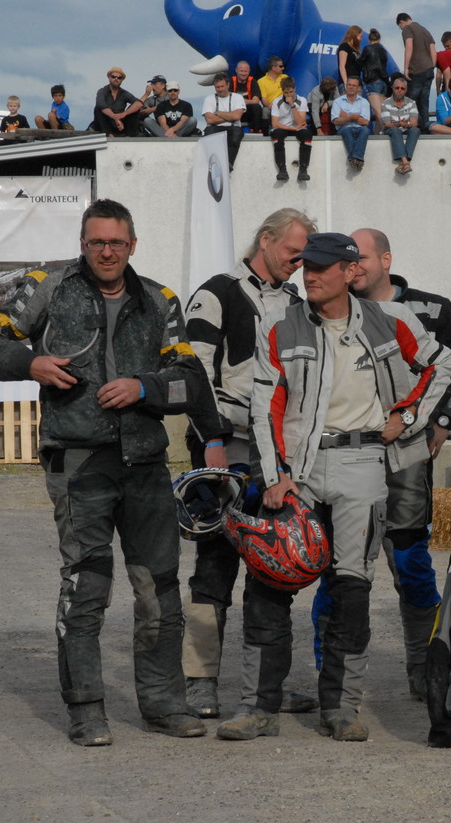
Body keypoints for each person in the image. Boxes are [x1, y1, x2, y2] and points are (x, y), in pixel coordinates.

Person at [0, 199, 226, 747]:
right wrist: (29, 362)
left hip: (146, 463)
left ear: (132, 245)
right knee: (87, 587)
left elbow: (190, 380)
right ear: (82, 244)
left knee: (158, 586)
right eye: (96, 243)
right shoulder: (49, 285)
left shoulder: (160, 299)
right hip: (78, 461)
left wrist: (144, 388)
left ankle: (163, 704)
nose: (106, 252)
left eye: (116, 243)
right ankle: (86, 710)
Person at [215, 232, 451, 742]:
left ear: (350, 272)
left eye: (323, 267)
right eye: (306, 266)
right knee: (268, 580)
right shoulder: (279, 326)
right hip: (297, 470)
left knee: (351, 588)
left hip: (364, 462)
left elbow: (442, 364)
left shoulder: (393, 321)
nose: (310, 275)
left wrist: (407, 417)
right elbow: (265, 406)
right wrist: (275, 475)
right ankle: (258, 707)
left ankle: (342, 708)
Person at [315, 227, 451, 700]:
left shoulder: (430, 310)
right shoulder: (327, 312)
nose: (354, 267)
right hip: (343, 459)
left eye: (362, 258)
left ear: (385, 259)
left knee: (410, 564)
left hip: (406, 457)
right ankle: (332, 673)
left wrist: (443, 421)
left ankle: (424, 669)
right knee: (337, 567)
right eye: (348, 261)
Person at [181, 209, 316, 720]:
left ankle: (266, 688)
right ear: (265, 240)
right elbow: (193, 372)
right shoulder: (215, 292)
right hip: (225, 450)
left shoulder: (299, 303)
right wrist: (212, 440)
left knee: (275, 567)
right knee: (214, 568)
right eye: (293, 252)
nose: (300, 264)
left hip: (274, 456)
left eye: (305, 256)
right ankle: (199, 682)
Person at [396, 13, 437, 133]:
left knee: (410, 100)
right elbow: (433, 52)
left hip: (417, 70)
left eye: (400, 26)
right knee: (424, 102)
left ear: (401, 22)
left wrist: (406, 68)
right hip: (429, 70)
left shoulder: (407, 29)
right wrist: (431, 67)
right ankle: (425, 129)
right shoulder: (425, 30)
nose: (401, 28)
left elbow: (409, 46)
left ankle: (409, 128)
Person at [269, 76, 313, 182]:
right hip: (283, 127)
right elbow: (275, 124)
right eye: (286, 92)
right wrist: (291, 129)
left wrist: (293, 105)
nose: (289, 95)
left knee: (307, 135)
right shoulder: (277, 101)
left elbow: (301, 122)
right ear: (282, 91)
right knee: (277, 136)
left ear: (295, 89)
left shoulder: (302, 100)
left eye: (291, 92)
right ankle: (282, 170)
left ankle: (303, 169)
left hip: (297, 127)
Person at [203, 73, 246, 170]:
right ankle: (213, 164)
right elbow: (210, 119)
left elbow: (237, 116)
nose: (220, 89)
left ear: (228, 85)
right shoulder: (209, 99)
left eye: (222, 86)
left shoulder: (237, 97)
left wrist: (218, 113)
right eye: (217, 87)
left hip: (233, 127)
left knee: (236, 134)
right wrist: (230, 115)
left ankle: (229, 163)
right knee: (208, 134)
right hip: (214, 127)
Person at [381, 75, 420, 174]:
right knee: (395, 130)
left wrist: (407, 125)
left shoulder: (412, 103)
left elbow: (414, 123)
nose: (399, 90)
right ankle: (405, 161)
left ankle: (403, 163)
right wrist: (399, 124)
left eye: (402, 88)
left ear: (406, 90)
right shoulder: (385, 103)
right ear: (393, 89)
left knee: (415, 130)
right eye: (397, 88)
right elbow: (387, 124)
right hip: (392, 130)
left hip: (406, 129)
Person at [332, 77, 370, 171]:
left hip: (360, 128)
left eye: (354, 85)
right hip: (344, 129)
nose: (351, 87)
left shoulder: (364, 102)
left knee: (365, 130)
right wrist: (352, 117)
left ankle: (354, 158)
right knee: (347, 129)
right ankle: (358, 159)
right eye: (349, 85)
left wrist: (346, 117)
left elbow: (365, 122)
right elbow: (335, 121)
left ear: (358, 88)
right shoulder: (338, 101)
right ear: (346, 86)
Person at [92, 68, 143, 137]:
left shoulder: (124, 93)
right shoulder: (102, 91)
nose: (116, 79)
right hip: (105, 125)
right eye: (113, 76)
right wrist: (115, 117)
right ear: (109, 78)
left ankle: (130, 136)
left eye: (119, 77)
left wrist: (124, 114)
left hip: (120, 125)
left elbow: (138, 103)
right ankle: (109, 134)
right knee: (98, 109)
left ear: (122, 80)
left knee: (135, 109)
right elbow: (101, 104)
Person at [359, 29, 390, 123]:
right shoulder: (383, 51)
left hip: (372, 80)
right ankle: (378, 133)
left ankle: (384, 130)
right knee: (381, 111)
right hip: (383, 81)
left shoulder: (367, 49)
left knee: (378, 112)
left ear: (369, 40)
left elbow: (360, 62)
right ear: (379, 39)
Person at [231, 61, 264, 132]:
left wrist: (242, 101)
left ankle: (256, 130)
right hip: (234, 110)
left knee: (257, 107)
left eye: (245, 71)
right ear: (236, 70)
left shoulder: (253, 82)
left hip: (248, 110)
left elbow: (256, 101)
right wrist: (243, 102)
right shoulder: (231, 82)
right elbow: (228, 99)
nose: (243, 73)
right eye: (241, 71)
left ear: (249, 72)